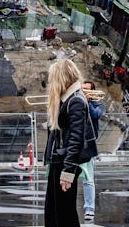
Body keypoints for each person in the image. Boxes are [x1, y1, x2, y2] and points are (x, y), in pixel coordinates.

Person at [43, 59, 98, 227]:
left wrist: (67, 173)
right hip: (59, 161)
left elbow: (76, 140)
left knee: (64, 215)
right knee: (57, 213)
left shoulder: (75, 101)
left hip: (65, 163)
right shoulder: (69, 99)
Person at [79, 80, 105, 222]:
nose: (84, 92)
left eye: (87, 90)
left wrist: (87, 101)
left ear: (93, 91)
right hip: (75, 143)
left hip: (88, 144)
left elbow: (96, 115)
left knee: (88, 179)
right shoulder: (76, 102)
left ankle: (89, 209)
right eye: (82, 89)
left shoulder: (97, 105)